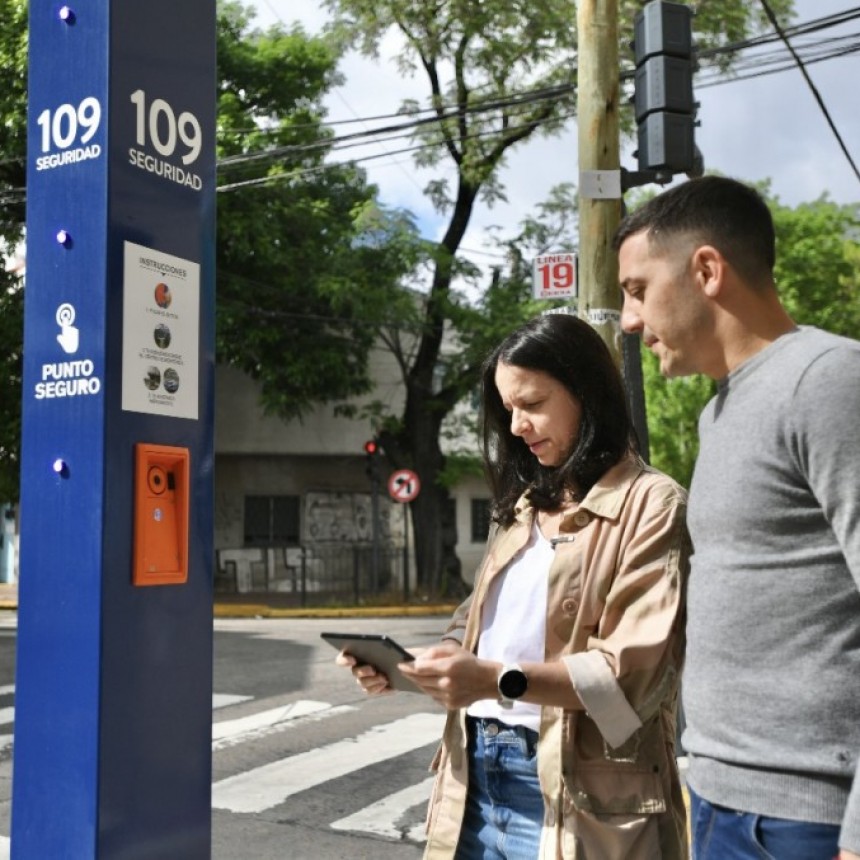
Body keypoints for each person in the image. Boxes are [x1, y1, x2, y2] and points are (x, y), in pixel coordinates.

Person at [338, 312, 690, 859]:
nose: (519, 425)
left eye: (532, 403)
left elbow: (630, 675)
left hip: (581, 791)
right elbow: (475, 620)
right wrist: (430, 665)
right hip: (474, 774)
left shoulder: (652, 503)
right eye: (509, 410)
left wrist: (492, 679)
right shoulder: (524, 505)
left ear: (587, 393)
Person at [614, 175, 860, 860]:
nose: (630, 321)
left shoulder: (828, 380)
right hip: (723, 800)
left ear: (707, 269)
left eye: (637, 290)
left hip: (810, 820)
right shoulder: (718, 410)